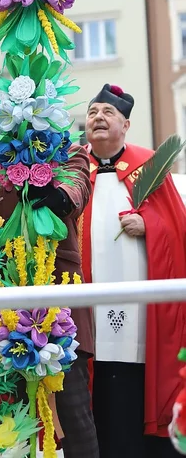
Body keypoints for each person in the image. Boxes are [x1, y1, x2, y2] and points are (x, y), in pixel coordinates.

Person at [81, 83, 186, 458]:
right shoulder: (73, 170)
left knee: (133, 386)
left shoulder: (149, 167)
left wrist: (150, 227)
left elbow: (178, 230)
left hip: (141, 316)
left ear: (125, 125)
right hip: (87, 311)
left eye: (108, 113)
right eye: (93, 112)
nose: (98, 118)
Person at [0, 144, 99, 458]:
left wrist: (61, 195)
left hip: (59, 303)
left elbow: (77, 185)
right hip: (1, 301)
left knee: (75, 417)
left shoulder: (69, 151)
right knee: (6, 421)